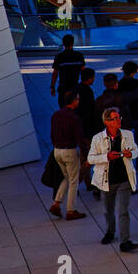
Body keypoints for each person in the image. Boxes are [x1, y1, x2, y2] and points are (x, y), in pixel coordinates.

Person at [88, 108, 138, 252]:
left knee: (123, 210)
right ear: (106, 122)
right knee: (107, 210)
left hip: (124, 180)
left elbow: (136, 150)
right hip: (107, 181)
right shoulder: (98, 138)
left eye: (119, 118)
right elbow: (90, 158)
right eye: (115, 118)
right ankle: (110, 232)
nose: (118, 121)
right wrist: (106, 157)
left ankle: (125, 241)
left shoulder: (128, 134)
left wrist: (131, 154)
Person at [48, 91, 87, 220]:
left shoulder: (56, 115)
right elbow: (79, 138)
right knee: (74, 180)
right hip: (69, 150)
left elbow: (52, 133)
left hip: (57, 150)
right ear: (74, 101)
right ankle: (71, 210)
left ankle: (57, 203)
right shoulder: (74, 118)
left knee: (66, 177)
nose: (79, 101)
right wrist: (85, 154)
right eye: (78, 99)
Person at [117, 61, 138, 169]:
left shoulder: (119, 84)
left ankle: (125, 161)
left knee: (124, 140)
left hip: (124, 116)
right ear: (135, 71)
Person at [75, 68, 98, 198]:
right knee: (88, 158)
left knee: (84, 156)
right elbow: (89, 112)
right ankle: (76, 182)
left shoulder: (77, 89)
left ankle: (88, 183)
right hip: (87, 130)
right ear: (89, 78)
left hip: (80, 128)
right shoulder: (87, 92)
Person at [50, 34, 86, 106]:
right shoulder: (79, 56)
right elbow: (83, 72)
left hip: (63, 88)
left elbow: (55, 73)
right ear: (72, 43)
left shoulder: (59, 57)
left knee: (64, 109)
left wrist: (52, 86)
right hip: (75, 87)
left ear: (63, 43)